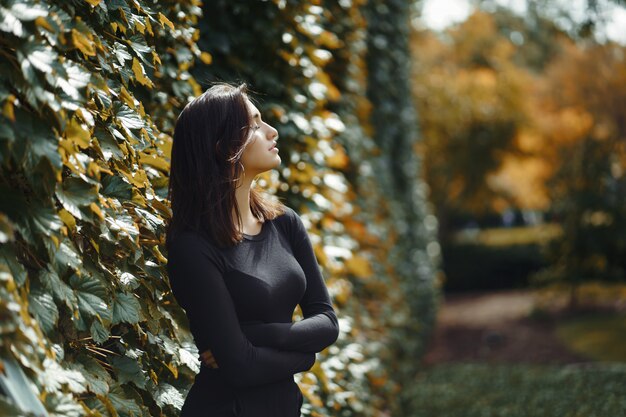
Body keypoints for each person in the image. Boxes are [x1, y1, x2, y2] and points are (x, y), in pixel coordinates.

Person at [165, 82, 340, 417]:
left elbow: (328, 321)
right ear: (223, 147)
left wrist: (259, 334)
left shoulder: (285, 223)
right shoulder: (193, 247)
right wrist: (307, 355)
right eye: (256, 126)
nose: (273, 132)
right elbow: (241, 368)